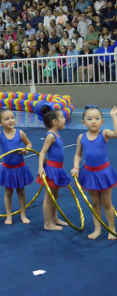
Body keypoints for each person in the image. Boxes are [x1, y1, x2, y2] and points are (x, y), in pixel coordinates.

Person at [71, 105, 117, 240]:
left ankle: (111, 228)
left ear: (102, 121)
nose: (93, 121)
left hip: (104, 173)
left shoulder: (104, 133)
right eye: (89, 119)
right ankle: (97, 229)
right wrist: (75, 167)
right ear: (83, 123)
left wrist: (114, 116)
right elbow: (78, 155)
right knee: (95, 203)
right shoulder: (81, 137)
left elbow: (116, 134)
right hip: (89, 174)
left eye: (97, 118)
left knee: (107, 203)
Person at [37, 103, 70, 231]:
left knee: (54, 196)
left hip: (58, 169)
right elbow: (42, 152)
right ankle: (47, 223)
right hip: (51, 169)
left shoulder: (56, 134)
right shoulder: (51, 135)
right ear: (55, 121)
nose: (64, 119)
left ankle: (54, 218)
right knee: (48, 197)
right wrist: (41, 167)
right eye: (62, 117)